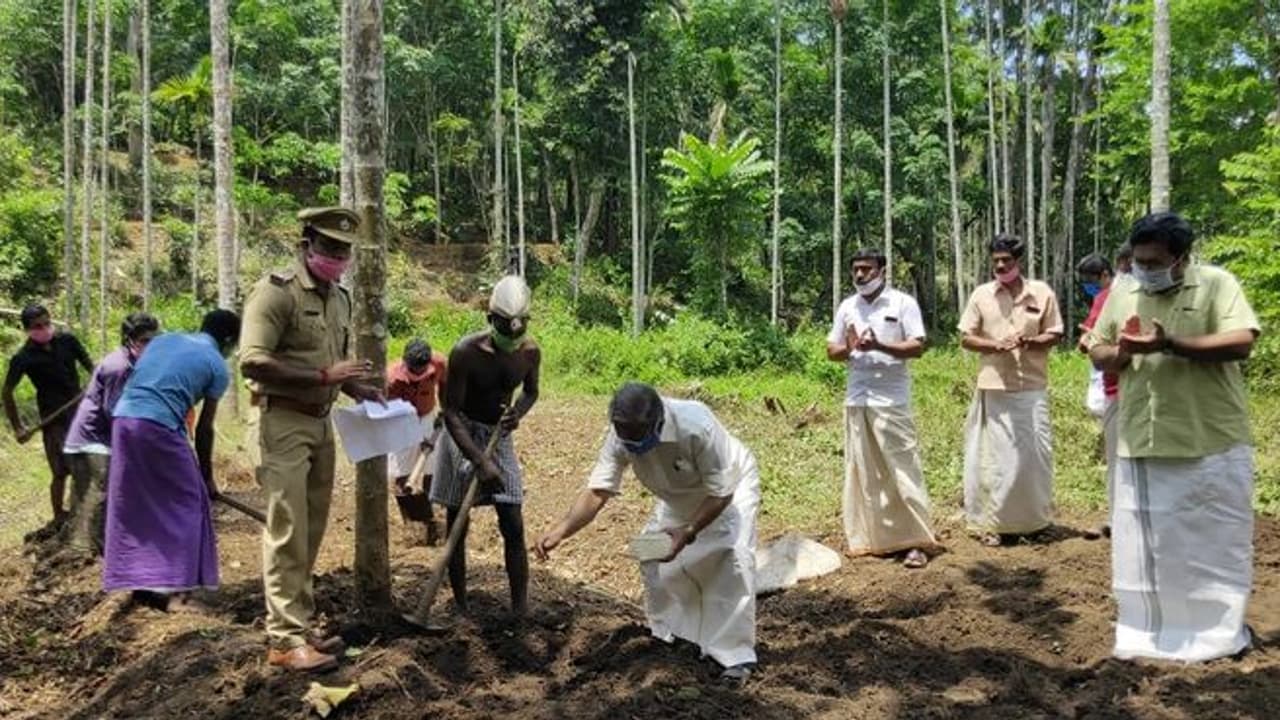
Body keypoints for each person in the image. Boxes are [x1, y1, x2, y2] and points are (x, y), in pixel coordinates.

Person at [1086, 212, 1260, 662]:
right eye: (1138, 260)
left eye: (1154, 262)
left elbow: (1242, 341)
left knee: (1212, 540)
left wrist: (1168, 344)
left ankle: (1216, 634)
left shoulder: (1216, 284)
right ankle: (1146, 631)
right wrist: (1121, 353)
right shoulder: (1124, 291)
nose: (1143, 269)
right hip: (1143, 436)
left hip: (1209, 438)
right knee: (1145, 545)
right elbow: (1098, 349)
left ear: (1181, 258)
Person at [535, 383, 760, 686]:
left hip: (729, 489)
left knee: (731, 559)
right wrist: (561, 530)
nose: (634, 445)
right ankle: (670, 636)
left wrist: (688, 531)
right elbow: (599, 490)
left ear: (659, 420)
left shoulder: (696, 426)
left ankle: (735, 656)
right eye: (626, 436)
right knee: (650, 551)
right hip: (676, 499)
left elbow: (722, 492)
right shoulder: (620, 436)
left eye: (640, 436)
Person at [240, 207, 384, 673]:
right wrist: (323, 376)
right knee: (287, 529)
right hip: (282, 420)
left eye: (344, 250)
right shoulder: (275, 293)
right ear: (306, 245)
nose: (337, 257)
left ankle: (299, 624)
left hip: (321, 423)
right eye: (328, 247)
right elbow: (252, 360)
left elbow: (332, 362)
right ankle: (284, 639)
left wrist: (355, 388)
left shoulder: (339, 298)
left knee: (311, 529)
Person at [102, 309, 239, 613]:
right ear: (229, 340)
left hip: (124, 420)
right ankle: (177, 592)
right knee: (189, 502)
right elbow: (205, 428)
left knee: (139, 502)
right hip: (157, 425)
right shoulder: (217, 364)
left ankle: (143, 584)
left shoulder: (165, 340)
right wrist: (207, 478)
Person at [430, 275, 540, 618]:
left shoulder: (530, 353)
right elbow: (450, 411)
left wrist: (517, 413)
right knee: (458, 522)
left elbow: (531, 392)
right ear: (490, 319)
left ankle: (520, 608)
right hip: (461, 433)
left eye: (519, 331)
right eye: (505, 330)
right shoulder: (466, 353)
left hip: (498, 435)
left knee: (513, 520)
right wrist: (478, 460)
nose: (513, 339)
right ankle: (461, 605)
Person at [825, 248, 937, 568]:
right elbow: (832, 350)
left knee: (902, 468)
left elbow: (917, 346)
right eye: (856, 269)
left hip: (891, 399)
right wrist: (850, 346)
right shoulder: (848, 306)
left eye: (867, 269)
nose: (861, 275)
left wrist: (879, 345)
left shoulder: (902, 303)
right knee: (864, 470)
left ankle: (916, 542)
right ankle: (871, 539)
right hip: (857, 398)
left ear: (882, 271)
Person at [958, 235, 1064, 546]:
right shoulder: (982, 295)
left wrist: (1031, 342)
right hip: (994, 387)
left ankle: (1034, 522)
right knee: (995, 460)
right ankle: (993, 524)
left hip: (1032, 386)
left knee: (1034, 456)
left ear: (1019, 261)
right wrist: (994, 345)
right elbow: (966, 337)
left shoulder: (1041, 292)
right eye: (996, 261)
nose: (1001, 266)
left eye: (1006, 260)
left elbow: (1055, 333)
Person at [63, 312, 160, 554]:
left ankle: (95, 545)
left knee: (103, 494)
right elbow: (113, 411)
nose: (151, 346)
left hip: (105, 437)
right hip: (91, 438)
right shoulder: (118, 366)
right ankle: (88, 550)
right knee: (100, 493)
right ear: (129, 340)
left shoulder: (135, 363)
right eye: (145, 340)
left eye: (154, 340)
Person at [3, 304, 93, 524]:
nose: (44, 329)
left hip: (80, 411)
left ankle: (87, 511)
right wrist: (18, 427)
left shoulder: (68, 341)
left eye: (46, 323)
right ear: (28, 329)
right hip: (52, 419)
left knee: (86, 464)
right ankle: (58, 515)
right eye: (37, 326)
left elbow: (92, 368)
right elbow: (6, 392)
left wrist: (93, 387)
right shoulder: (23, 358)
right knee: (60, 470)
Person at [1075, 252, 1122, 540]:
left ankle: (1119, 519)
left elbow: (1089, 342)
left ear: (1106, 273)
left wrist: (1088, 340)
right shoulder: (1105, 297)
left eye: (1091, 281)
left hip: (1120, 389)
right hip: (1120, 386)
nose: (1089, 287)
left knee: (1119, 459)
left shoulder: (1109, 297)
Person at [386, 337, 448, 546]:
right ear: (405, 363)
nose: (419, 374)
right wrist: (409, 433)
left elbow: (445, 385)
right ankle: (414, 525)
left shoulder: (439, 363)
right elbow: (386, 412)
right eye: (414, 372)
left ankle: (433, 518)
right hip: (401, 421)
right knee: (401, 476)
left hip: (427, 416)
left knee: (431, 469)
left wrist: (445, 412)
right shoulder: (391, 379)